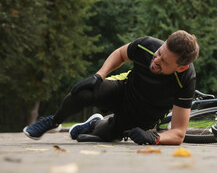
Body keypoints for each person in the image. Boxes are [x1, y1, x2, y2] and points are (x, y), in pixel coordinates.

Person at [23, 30, 199, 145]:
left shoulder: (186, 79)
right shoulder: (147, 45)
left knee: (105, 136)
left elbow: (178, 133)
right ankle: (54, 121)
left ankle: (95, 123)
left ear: (181, 67)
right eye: (160, 52)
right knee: (84, 92)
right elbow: (121, 54)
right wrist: (99, 75)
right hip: (124, 89)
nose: (156, 60)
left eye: (164, 61)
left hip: (143, 115)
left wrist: (154, 137)